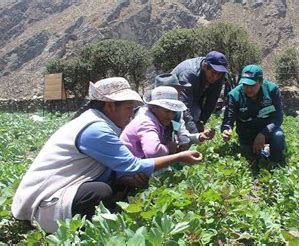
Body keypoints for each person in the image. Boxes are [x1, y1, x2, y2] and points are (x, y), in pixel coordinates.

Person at [11, 77, 203, 233]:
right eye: (129, 108)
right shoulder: (96, 129)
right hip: (43, 203)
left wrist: (123, 180)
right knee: (100, 192)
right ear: (111, 106)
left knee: (121, 187)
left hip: (60, 190)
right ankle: (75, 231)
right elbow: (132, 165)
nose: (131, 114)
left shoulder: (96, 122)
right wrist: (179, 157)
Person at [221, 64, 286, 163]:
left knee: (278, 137)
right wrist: (226, 130)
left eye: (252, 85)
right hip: (247, 132)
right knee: (251, 157)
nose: (248, 89)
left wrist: (263, 133)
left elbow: (278, 118)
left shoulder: (272, 90)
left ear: (261, 81)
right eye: (245, 85)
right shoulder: (234, 95)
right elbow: (228, 120)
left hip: (268, 130)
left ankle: (275, 164)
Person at [120, 86, 187, 159]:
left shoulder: (157, 120)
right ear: (154, 107)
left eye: (174, 112)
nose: (170, 116)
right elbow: (153, 152)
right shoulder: (146, 122)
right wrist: (168, 148)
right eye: (166, 111)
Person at [172, 51, 228, 134]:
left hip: (193, 97)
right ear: (205, 67)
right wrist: (196, 133)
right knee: (177, 125)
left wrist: (201, 123)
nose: (215, 77)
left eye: (219, 74)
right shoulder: (190, 73)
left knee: (196, 117)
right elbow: (185, 105)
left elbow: (212, 101)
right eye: (213, 73)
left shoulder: (219, 74)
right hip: (173, 99)